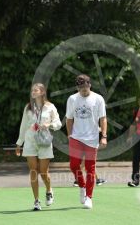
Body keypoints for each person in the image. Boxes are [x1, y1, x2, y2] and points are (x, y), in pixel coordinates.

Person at [15, 83, 62, 211]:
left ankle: (49, 190)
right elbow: (23, 126)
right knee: (33, 171)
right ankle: (36, 201)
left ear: (42, 92)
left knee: (43, 172)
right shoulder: (28, 108)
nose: (33, 92)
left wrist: (49, 124)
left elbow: (58, 124)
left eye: (35, 90)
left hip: (44, 141)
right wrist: (19, 143)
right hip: (30, 142)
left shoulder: (50, 107)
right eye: (32, 90)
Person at [66, 74, 107, 209]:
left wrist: (104, 136)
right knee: (73, 165)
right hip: (76, 137)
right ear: (77, 87)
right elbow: (69, 118)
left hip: (92, 138)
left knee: (90, 168)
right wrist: (70, 135)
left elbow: (103, 118)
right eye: (81, 88)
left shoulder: (98, 99)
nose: (83, 90)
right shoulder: (72, 99)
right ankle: (82, 187)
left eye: (86, 87)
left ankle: (89, 197)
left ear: (90, 85)